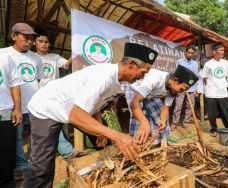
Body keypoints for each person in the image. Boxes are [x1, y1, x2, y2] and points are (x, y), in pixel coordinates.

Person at [24, 43, 158, 187]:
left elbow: (95, 104)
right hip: (46, 108)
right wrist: (118, 136)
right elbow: (76, 115)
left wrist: (100, 128)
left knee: (103, 134)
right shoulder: (104, 77)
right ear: (131, 64)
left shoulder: (116, 80)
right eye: (143, 73)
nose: (142, 78)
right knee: (42, 165)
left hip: (68, 109)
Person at [34, 28, 86, 159]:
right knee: (49, 124)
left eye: (46, 42)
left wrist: (76, 50)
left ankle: (64, 150)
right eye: (41, 41)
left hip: (55, 96)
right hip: (37, 96)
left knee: (59, 123)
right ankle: (66, 151)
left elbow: (68, 64)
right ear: (35, 42)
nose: (44, 44)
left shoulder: (55, 57)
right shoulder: (31, 58)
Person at [0, 23, 43, 180]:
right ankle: (21, 166)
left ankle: (36, 164)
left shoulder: (36, 58)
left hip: (34, 104)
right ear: (13, 36)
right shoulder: (4, 54)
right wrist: (15, 106)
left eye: (32, 39)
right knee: (16, 138)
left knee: (36, 136)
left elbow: (37, 80)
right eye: (26, 38)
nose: (30, 42)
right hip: (13, 106)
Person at [130, 65, 199, 144]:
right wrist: (144, 122)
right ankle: (135, 144)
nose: (181, 93)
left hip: (152, 93)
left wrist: (162, 120)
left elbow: (166, 108)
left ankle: (160, 143)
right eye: (182, 89)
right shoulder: (155, 79)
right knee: (138, 116)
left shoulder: (173, 89)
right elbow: (134, 102)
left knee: (161, 118)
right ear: (175, 80)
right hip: (135, 89)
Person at [0, 52, 23, 188]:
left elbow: (15, 84)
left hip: (5, 112)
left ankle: (7, 183)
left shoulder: (4, 56)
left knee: (7, 152)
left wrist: (17, 108)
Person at [172, 45, 198, 128]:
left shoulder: (195, 64)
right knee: (178, 106)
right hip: (180, 87)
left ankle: (185, 123)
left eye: (192, 53)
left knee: (190, 106)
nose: (190, 54)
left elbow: (196, 77)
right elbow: (176, 75)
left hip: (191, 88)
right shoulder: (179, 62)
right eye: (189, 52)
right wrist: (176, 87)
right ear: (185, 52)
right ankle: (174, 123)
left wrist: (196, 89)